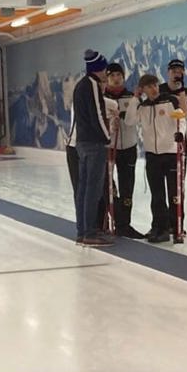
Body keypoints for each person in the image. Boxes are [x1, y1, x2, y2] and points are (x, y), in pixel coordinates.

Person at [136, 74, 187, 244]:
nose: (153, 89)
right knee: (157, 195)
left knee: (175, 194)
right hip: (152, 155)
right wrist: (134, 98)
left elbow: (181, 119)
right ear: (143, 89)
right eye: (149, 86)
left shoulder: (170, 101)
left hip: (171, 154)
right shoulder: (142, 107)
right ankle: (160, 227)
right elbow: (130, 120)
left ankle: (176, 226)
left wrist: (180, 133)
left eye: (155, 85)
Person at [72, 50, 115, 247]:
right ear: (98, 69)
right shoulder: (92, 86)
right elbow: (97, 114)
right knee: (93, 189)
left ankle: (82, 231)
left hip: (81, 143)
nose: (106, 72)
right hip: (93, 143)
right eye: (104, 68)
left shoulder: (80, 85)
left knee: (83, 189)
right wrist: (107, 137)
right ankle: (90, 232)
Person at [104, 63, 144, 238]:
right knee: (108, 187)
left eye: (119, 75)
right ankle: (110, 219)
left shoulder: (131, 97)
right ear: (107, 78)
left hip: (128, 148)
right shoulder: (101, 98)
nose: (116, 78)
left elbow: (139, 118)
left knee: (127, 188)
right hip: (108, 148)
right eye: (112, 75)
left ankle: (124, 224)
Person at [159, 58, 187, 233]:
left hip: (178, 145)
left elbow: (184, 114)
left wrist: (181, 100)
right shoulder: (158, 91)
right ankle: (161, 224)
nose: (176, 73)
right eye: (173, 70)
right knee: (158, 188)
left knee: (177, 187)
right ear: (168, 72)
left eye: (180, 70)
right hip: (159, 143)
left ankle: (177, 224)